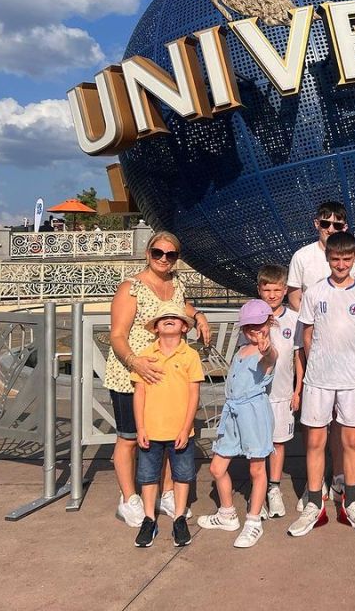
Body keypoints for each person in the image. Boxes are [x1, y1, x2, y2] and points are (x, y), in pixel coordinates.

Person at [105, 231, 211, 527]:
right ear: (148, 253)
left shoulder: (175, 284)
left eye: (171, 254)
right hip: (133, 374)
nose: (164, 259)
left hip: (166, 377)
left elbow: (180, 307)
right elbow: (117, 334)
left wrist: (198, 315)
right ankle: (129, 498)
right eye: (158, 253)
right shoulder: (131, 288)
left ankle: (166, 492)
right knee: (129, 437)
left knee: (165, 434)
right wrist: (135, 362)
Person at [288, 232, 355, 537]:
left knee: (351, 442)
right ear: (328, 259)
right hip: (318, 380)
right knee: (314, 442)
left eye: (346, 259)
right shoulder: (313, 293)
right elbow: (308, 334)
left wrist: (344, 358)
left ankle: (350, 501)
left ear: (354, 259)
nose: (341, 264)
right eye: (335, 259)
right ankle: (315, 502)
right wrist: (321, 363)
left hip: (350, 379)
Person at [197, 299, 277, 548]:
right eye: (248, 327)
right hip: (232, 414)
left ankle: (253, 521)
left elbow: (270, 357)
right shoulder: (241, 351)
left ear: (269, 323)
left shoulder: (267, 351)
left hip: (253, 415)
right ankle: (227, 513)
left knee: (257, 469)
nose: (254, 331)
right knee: (217, 467)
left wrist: (267, 349)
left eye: (259, 325)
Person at [130, 302, 204, 548]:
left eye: (175, 318)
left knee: (183, 474)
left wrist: (186, 427)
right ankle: (149, 518)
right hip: (151, 428)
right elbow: (139, 393)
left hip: (180, 430)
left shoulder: (190, 356)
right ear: (156, 328)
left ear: (184, 327)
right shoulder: (146, 355)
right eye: (163, 319)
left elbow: (194, 394)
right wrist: (140, 427)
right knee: (148, 476)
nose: (169, 320)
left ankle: (179, 516)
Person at [253, 264, 303, 518]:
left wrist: (298, 390)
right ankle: (258, 491)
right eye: (267, 289)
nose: (272, 295)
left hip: (283, 393)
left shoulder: (293, 319)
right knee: (259, 443)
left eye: (277, 289)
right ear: (259, 289)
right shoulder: (252, 315)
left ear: (285, 290)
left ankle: (274, 488)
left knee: (278, 442)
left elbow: (298, 358)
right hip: (258, 393)